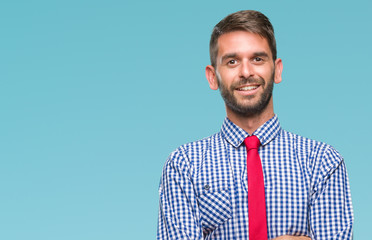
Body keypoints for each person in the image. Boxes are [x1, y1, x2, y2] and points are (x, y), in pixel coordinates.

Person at [157, 10, 353, 240]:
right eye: (232, 61)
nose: (246, 72)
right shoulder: (184, 166)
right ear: (212, 77)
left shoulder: (323, 162)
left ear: (277, 70)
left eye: (257, 59)